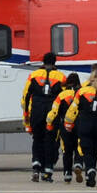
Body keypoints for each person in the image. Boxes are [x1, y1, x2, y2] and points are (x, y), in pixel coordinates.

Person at [64, 71, 97, 187]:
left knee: (86, 150)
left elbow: (73, 109)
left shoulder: (81, 92)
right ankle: (90, 173)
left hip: (84, 124)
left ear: (89, 79)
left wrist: (68, 123)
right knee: (94, 149)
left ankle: (90, 170)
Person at [22, 52, 67, 182]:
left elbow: (26, 96)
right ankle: (47, 171)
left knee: (37, 139)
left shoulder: (33, 75)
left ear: (43, 62)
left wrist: (26, 115)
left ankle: (36, 166)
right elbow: (64, 98)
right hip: (52, 112)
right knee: (50, 141)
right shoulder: (61, 77)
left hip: (36, 111)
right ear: (55, 62)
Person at [46, 73, 82, 183]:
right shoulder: (82, 93)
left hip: (65, 125)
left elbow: (54, 111)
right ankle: (78, 164)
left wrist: (49, 123)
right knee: (79, 147)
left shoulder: (61, 95)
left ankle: (67, 174)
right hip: (80, 124)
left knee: (67, 150)